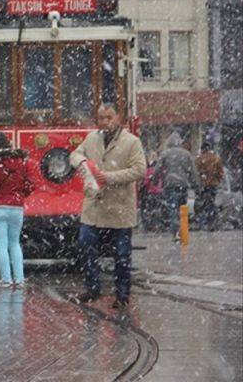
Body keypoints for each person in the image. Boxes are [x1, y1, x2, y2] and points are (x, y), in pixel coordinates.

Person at [69, 104, 146, 309]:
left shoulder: (132, 142)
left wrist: (109, 177)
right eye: (101, 118)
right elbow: (74, 155)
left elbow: (139, 170)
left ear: (119, 118)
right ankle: (92, 288)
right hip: (93, 206)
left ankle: (122, 295)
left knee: (121, 254)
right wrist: (83, 162)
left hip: (119, 207)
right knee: (86, 245)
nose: (105, 122)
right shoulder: (92, 138)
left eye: (109, 117)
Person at [0, 132, 33, 288]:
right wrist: (20, 195)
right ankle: (20, 279)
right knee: (15, 243)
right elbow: (30, 184)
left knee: (1, 245)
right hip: (17, 208)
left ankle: (6, 279)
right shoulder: (22, 162)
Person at [154, 132, 198, 239]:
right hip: (183, 184)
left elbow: (157, 169)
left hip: (170, 184)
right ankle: (183, 230)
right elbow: (193, 170)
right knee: (182, 209)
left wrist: (155, 180)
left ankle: (176, 232)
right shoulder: (186, 154)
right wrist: (195, 183)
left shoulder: (165, 154)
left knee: (172, 208)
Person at [195, 142, 224, 230]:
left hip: (203, 184)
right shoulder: (216, 158)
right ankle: (211, 223)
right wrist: (217, 180)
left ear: (202, 149)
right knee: (211, 203)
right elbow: (221, 172)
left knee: (202, 204)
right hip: (213, 184)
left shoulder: (199, 159)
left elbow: (195, 172)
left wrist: (200, 180)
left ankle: (202, 223)